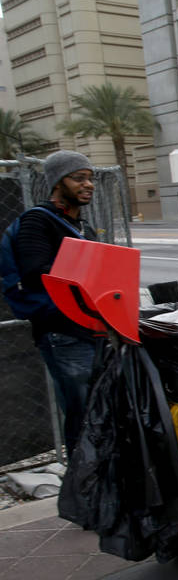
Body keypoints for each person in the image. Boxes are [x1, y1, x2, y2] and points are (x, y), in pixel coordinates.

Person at [10, 150, 102, 457]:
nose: (87, 184)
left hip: (92, 328)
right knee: (83, 412)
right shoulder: (38, 221)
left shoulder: (82, 228)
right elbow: (35, 272)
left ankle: (101, 477)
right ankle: (83, 480)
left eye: (90, 178)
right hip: (62, 331)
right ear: (56, 182)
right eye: (78, 178)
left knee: (99, 408)